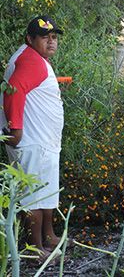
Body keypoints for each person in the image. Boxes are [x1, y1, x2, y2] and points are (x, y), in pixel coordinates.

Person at [0, 16, 65, 260]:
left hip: (43, 142)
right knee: (33, 199)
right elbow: (14, 91)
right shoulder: (30, 60)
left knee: (45, 193)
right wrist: (15, 129)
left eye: (54, 37)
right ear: (30, 39)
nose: (51, 41)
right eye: (44, 37)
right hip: (32, 143)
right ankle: (35, 248)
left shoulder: (34, 59)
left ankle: (48, 237)